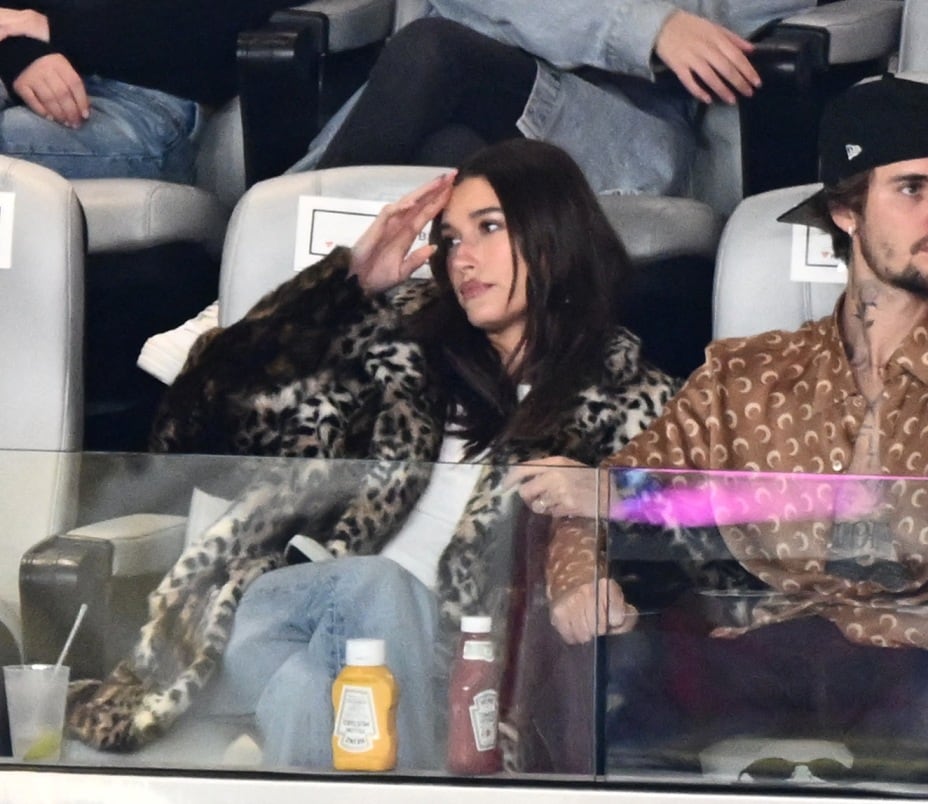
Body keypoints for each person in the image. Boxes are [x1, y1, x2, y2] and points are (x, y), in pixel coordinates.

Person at [541, 75, 928, 780]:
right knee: (623, 678)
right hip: (770, 644)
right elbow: (599, 497)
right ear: (846, 214)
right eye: (913, 188)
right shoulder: (750, 373)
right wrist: (579, 581)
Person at [65, 139, 680, 768]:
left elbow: (722, 542)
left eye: (488, 228)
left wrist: (616, 494)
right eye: (449, 239)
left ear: (555, 232)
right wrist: (348, 286)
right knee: (378, 585)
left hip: (447, 674)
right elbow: (196, 430)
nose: (462, 257)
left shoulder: (625, 394)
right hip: (283, 608)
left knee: (310, 696)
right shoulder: (397, 338)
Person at [308, 0, 817, 195]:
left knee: (434, 53)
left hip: (612, 127)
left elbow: (720, 28)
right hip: (442, 101)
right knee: (450, 152)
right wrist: (645, 24)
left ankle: (288, 297)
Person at [0, 0, 292, 181]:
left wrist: (58, 30)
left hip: (154, 100)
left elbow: (215, 15)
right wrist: (24, 54)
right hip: (33, 69)